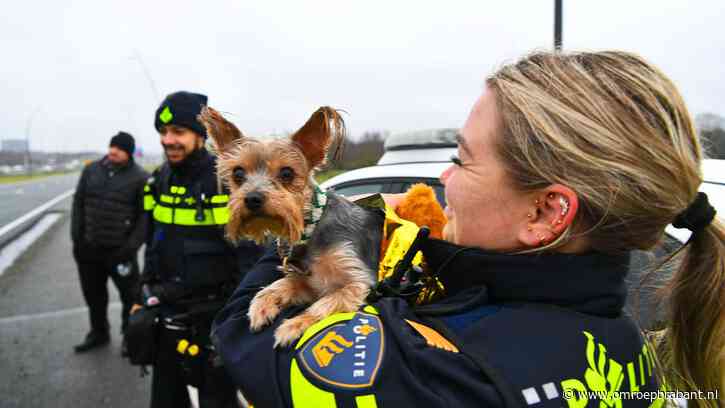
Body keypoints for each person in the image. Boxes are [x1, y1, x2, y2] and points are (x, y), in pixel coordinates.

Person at [212, 51, 724, 408]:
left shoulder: (441, 374)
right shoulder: (627, 341)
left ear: (546, 213)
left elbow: (244, 336)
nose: (443, 179)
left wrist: (312, 227)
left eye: (464, 159)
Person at [136, 91, 263, 408]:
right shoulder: (159, 179)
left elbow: (251, 257)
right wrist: (143, 293)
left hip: (213, 319)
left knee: (217, 401)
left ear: (200, 135)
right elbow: (153, 242)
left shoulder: (227, 181)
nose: (168, 140)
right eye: (163, 133)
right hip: (167, 314)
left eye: (177, 132)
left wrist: (236, 322)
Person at [71, 131, 148, 353]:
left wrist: (130, 247)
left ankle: (129, 337)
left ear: (129, 153)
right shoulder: (91, 170)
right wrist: (77, 239)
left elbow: (145, 217)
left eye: (120, 149)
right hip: (89, 251)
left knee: (130, 297)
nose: (113, 151)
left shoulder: (140, 177)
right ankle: (98, 333)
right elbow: (78, 204)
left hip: (121, 253)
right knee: (94, 296)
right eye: (112, 146)